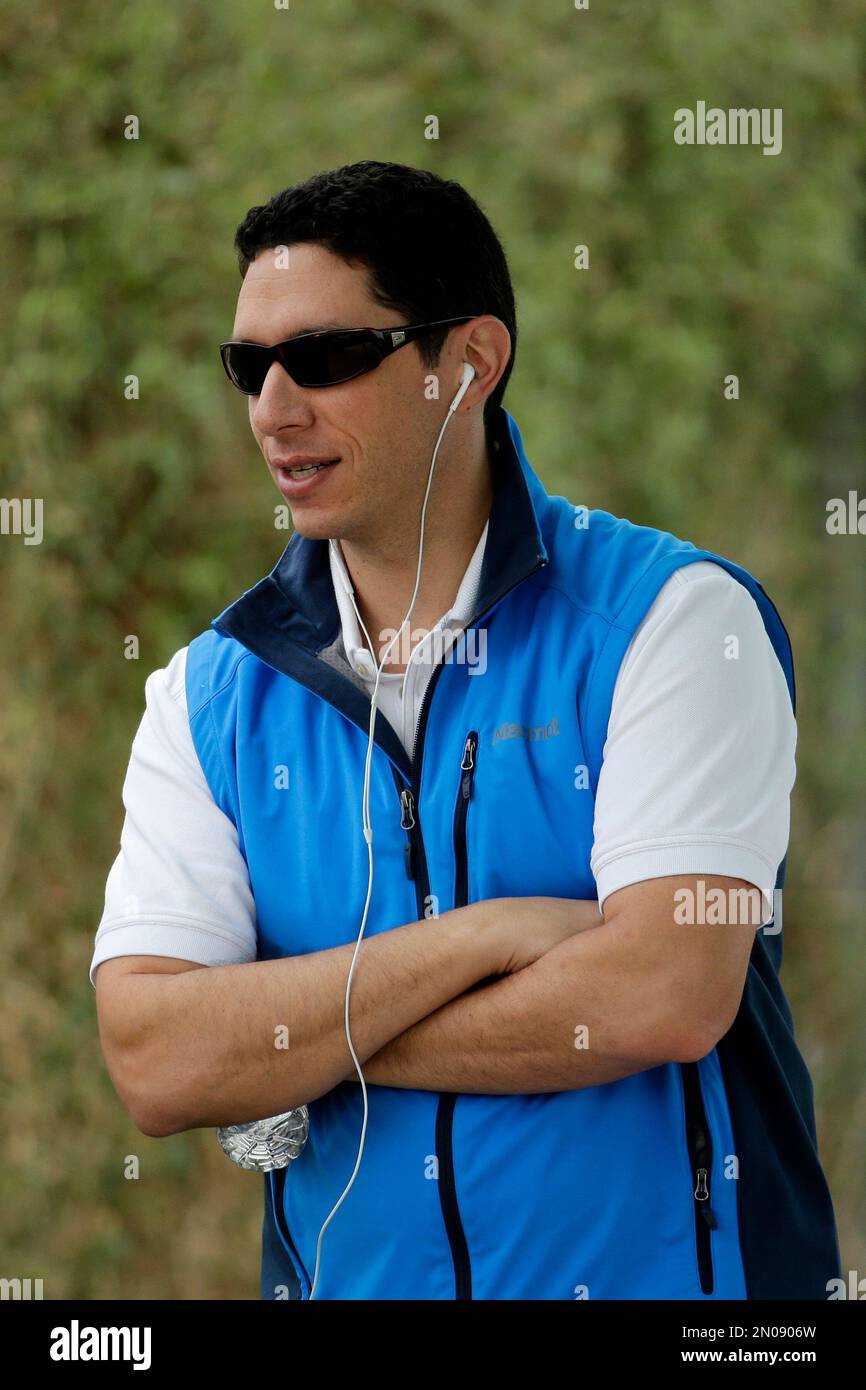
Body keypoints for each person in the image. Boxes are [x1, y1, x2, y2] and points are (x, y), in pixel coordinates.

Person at [91, 160, 840, 1300]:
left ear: (470, 362)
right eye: (250, 366)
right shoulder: (204, 694)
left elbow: (662, 995)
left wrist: (278, 1049)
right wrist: (486, 937)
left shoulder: (674, 622)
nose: (273, 409)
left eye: (328, 357)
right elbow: (154, 1058)